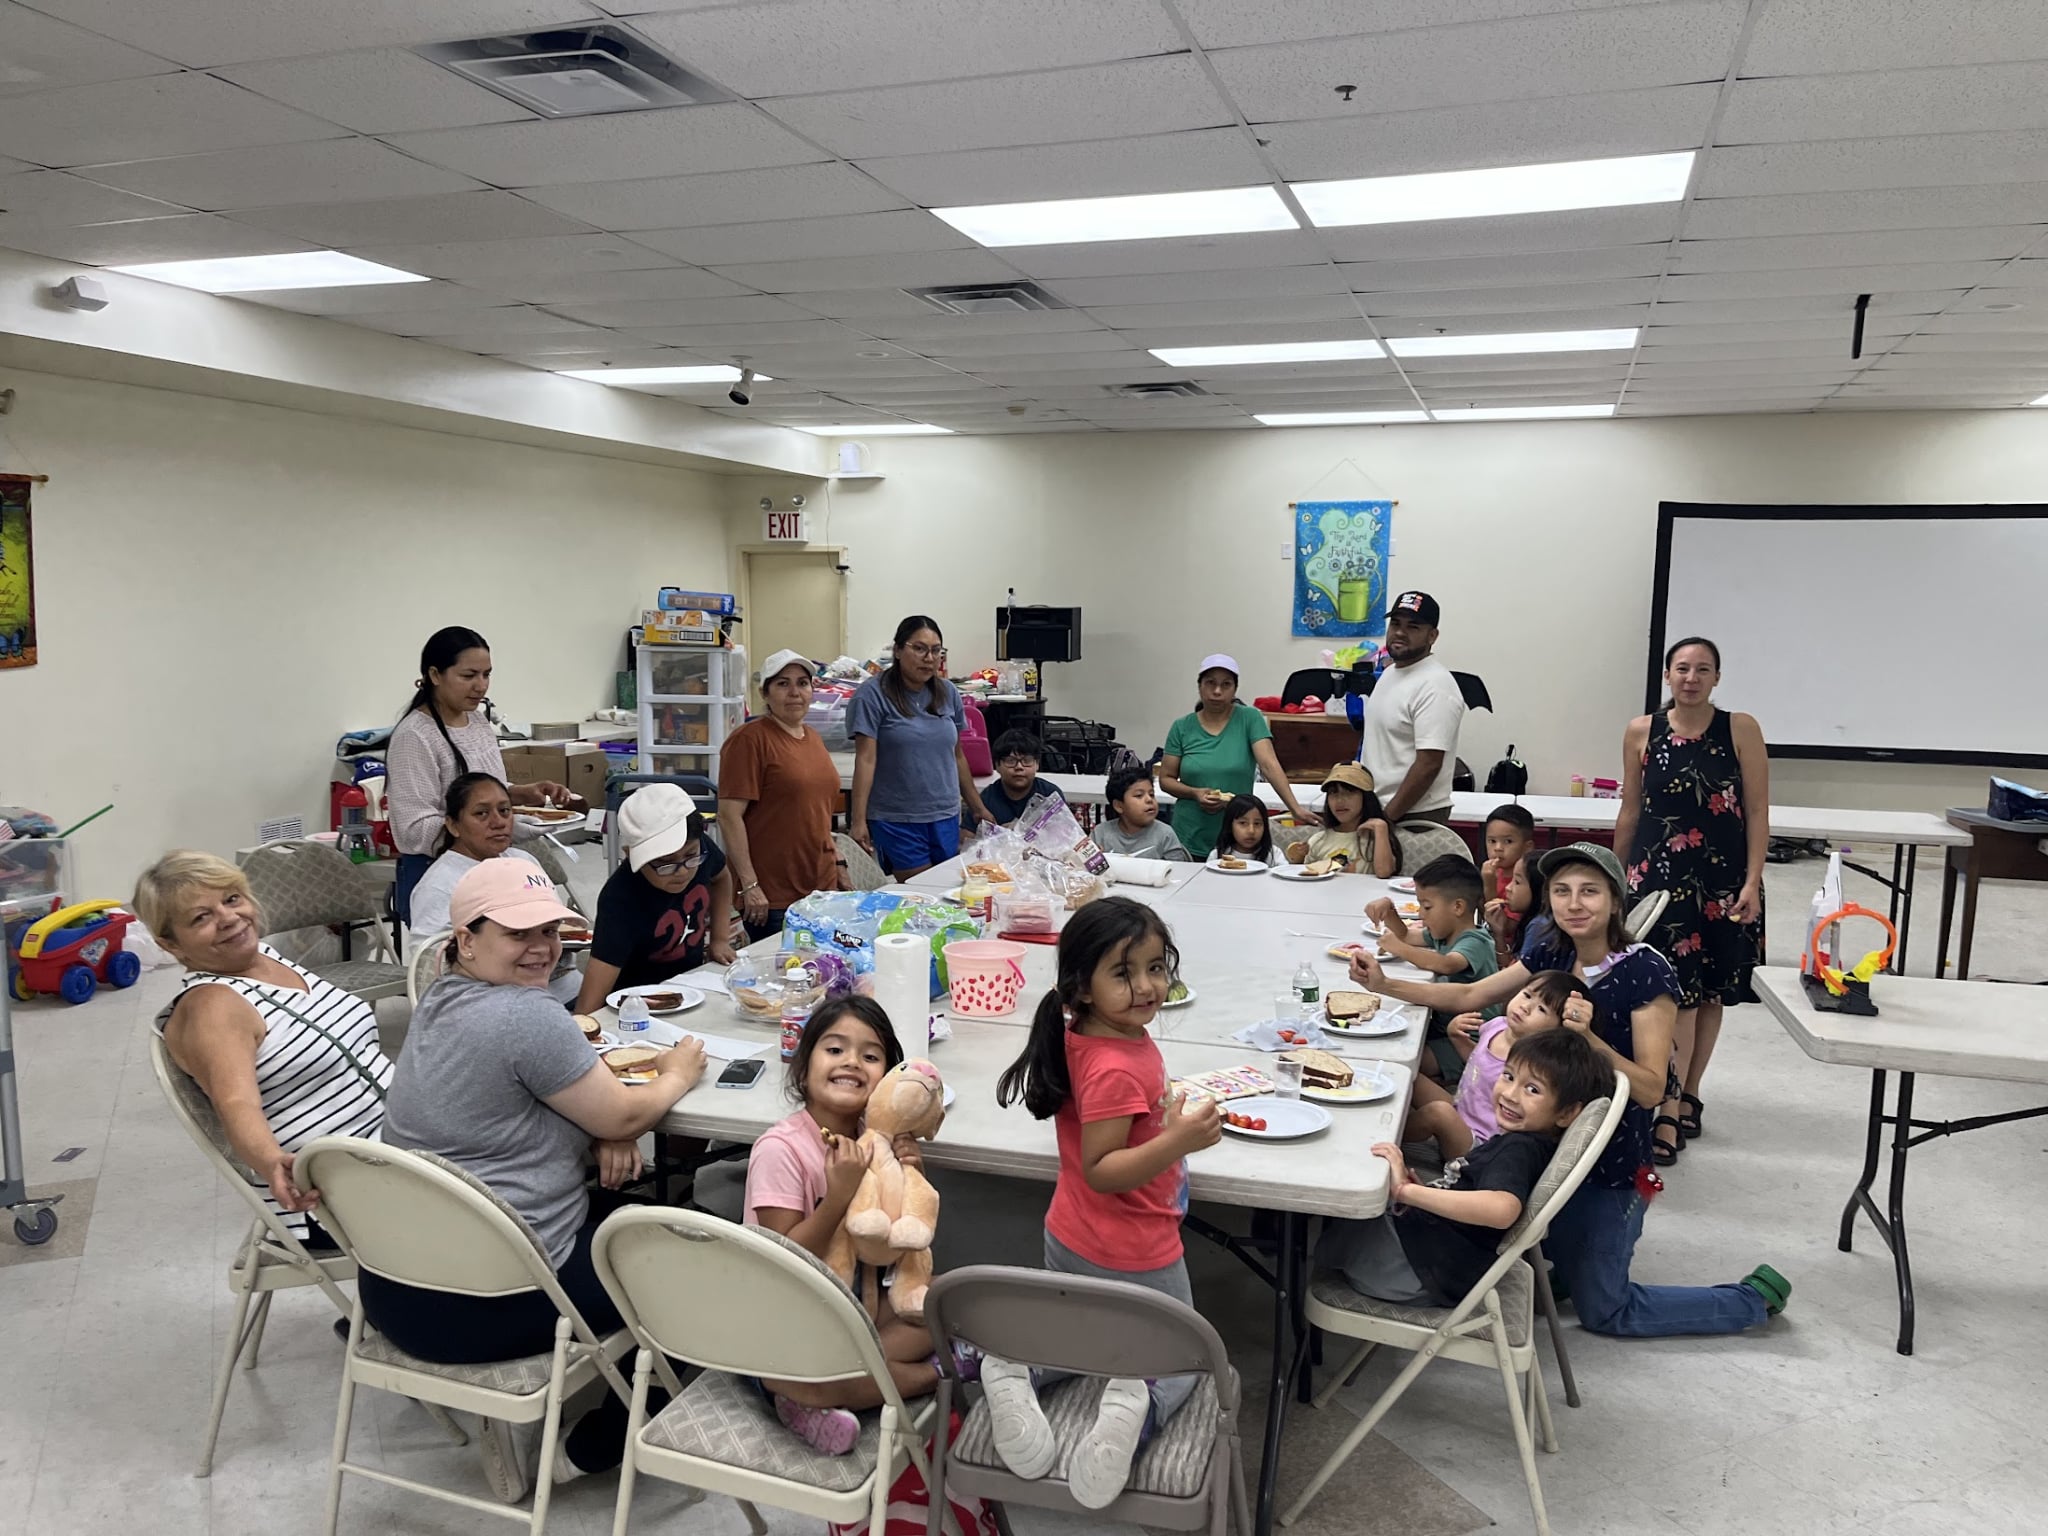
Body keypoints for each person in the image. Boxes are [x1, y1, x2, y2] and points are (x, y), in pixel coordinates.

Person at [1350, 843, 1789, 1336]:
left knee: (1606, 1312)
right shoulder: (1552, 949)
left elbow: (1650, 1090)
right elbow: (1472, 994)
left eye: (1589, 892)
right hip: (1536, 1147)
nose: (1573, 904)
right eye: (1561, 891)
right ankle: (1563, 1262)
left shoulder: (1645, 971)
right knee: (1525, 1254)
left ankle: (1749, 1300)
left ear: (1616, 900)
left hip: (1603, 1164)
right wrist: (1383, 984)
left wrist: (1591, 1040)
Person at [368, 860, 707, 1492]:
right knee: (710, 1256)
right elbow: (626, 1110)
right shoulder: (526, 1015)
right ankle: (596, 1447)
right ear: (467, 940)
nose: (542, 948)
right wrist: (676, 1074)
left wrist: (603, 1127)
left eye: (550, 931)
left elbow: (508, 1108)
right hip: (489, 1300)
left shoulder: (439, 996)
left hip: (395, 1287)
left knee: (638, 1217)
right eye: (518, 933)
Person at [988, 898, 1223, 1508]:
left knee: (1081, 1336)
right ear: (1081, 988)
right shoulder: (1116, 1065)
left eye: (1155, 967)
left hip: (1073, 1232)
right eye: (1123, 973)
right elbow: (1101, 1170)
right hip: (1134, 1245)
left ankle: (1016, 1367)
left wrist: (1159, 1123)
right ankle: (1139, 1406)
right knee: (1189, 1357)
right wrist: (1178, 1140)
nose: (1146, 986)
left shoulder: (1087, 1036)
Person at [136, 851, 392, 1240]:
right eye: (201, 918)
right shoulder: (213, 1006)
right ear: (171, 945)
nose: (228, 918)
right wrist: (272, 1162)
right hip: (339, 1193)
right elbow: (236, 1102)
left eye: (232, 899)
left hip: (392, 1147)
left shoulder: (265, 958)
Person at [744, 997, 942, 1455]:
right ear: (802, 1068)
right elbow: (782, 1261)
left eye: (871, 1056)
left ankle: (825, 1390)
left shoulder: (877, 1144)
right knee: (797, 1373)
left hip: (854, 1310)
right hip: (785, 1327)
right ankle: (934, 1375)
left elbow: (897, 1248)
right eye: (834, 1049)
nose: (851, 1062)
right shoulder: (781, 1150)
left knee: (944, 1304)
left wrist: (910, 1179)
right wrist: (837, 1197)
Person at [1322, 1028, 1612, 1309]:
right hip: (1436, 1263)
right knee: (1363, 1186)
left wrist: (1406, 1192)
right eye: (1509, 1076)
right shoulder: (1529, 1143)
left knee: (1345, 1187)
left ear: (1566, 1113)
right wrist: (1423, 1193)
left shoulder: (1518, 1149)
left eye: (1532, 1089)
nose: (1510, 1094)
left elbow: (1502, 1209)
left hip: (1412, 1273)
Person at [1615, 635, 1768, 1164]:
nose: (1692, 678)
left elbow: (1757, 810)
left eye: (1703, 669)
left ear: (1717, 678)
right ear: (1667, 675)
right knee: (1670, 994)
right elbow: (1631, 811)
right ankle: (1667, 1103)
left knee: (1709, 994)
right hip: (1659, 879)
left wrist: (1752, 882)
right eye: (1682, 668)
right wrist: (1613, 878)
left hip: (1724, 879)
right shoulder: (1642, 731)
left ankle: (1689, 1094)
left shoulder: (1739, 729)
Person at [386, 626, 584, 924]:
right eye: (468, 676)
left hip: (490, 866)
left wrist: (518, 793)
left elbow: (480, 789)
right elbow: (414, 830)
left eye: (486, 675)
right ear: (435, 675)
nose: (481, 686)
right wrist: (495, 827)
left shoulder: (477, 722)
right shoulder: (414, 737)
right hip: (439, 874)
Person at [408, 772, 582, 1003]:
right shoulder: (439, 884)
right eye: (481, 813)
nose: (498, 822)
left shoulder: (524, 860)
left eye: (505, 811)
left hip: (566, 985)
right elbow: (430, 964)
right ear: (453, 825)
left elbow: (558, 924)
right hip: (501, 1000)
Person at [849, 616, 994, 877]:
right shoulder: (872, 695)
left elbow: (957, 756)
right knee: (920, 889)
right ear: (897, 650)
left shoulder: (948, 692)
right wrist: (858, 820)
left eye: (936, 651)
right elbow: (865, 760)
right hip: (897, 818)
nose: (929, 658)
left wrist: (977, 807)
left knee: (947, 887)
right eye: (919, 648)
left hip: (945, 814)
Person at [575, 784, 736, 1014]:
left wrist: (720, 938)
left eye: (690, 856)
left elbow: (722, 878)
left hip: (693, 986)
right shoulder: (620, 900)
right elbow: (591, 999)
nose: (682, 870)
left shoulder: (699, 847)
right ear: (632, 855)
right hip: (638, 1006)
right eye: (665, 863)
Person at [719, 649, 844, 943]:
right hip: (773, 896)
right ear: (765, 693)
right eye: (783, 684)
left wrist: (838, 862)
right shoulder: (749, 740)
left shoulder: (812, 738)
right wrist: (750, 886)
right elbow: (728, 816)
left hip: (820, 886)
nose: (794, 693)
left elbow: (817, 809)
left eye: (802, 683)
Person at [1405, 973, 1592, 1161]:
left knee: (1438, 1113)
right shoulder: (1498, 1025)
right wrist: (1456, 1038)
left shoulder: (1529, 1066)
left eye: (1542, 1009)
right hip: (1461, 1107)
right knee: (1409, 1075)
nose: (1525, 1007)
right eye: (1527, 995)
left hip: (1480, 1144)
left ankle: (1392, 1139)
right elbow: (1480, 1063)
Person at [1159, 653, 1319, 858]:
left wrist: (1294, 808)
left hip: (1239, 839)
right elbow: (1166, 779)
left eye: (1226, 684)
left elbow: (1269, 764)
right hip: (1190, 834)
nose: (1217, 691)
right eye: (1210, 683)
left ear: (1235, 689)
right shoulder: (1182, 727)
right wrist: (1194, 793)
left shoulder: (1249, 718)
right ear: (1200, 686)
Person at [1368, 854, 1498, 1078]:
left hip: (1469, 1041)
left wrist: (1399, 948)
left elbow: (1447, 964)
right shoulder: (1445, 932)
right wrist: (1389, 912)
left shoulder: (1476, 941)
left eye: (1427, 907)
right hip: (1443, 1028)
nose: (1420, 914)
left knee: (1406, 1064)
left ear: (1458, 907)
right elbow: (1407, 935)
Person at [1358, 592, 1466, 830]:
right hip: (1378, 810)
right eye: (1395, 623)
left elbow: (1428, 765)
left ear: (1432, 636)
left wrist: (1387, 819)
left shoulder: (1436, 685)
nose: (1399, 632)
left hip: (1413, 817)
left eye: (1412, 626)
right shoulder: (1390, 674)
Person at [1282, 763, 1397, 876]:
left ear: (1366, 798)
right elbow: (1307, 877)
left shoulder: (1374, 837)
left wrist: (1381, 829)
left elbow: (1384, 873)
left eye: (1349, 792)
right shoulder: (1318, 840)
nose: (1340, 800)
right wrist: (1298, 858)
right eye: (1333, 793)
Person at [1089, 765, 1189, 862]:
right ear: (1119, 806)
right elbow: (1085, 867)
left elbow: (1177, 869)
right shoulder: (1100, 834)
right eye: (1139, 795)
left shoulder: (1165, 834)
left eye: (1151, 794)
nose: (1149, 799)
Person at [980, 730, 1064, 828]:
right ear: (997, 765)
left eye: (1027, 761)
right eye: (1010, 761)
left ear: (1037, 764)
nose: (1019, 767)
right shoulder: (987, 798)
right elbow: (968, 834)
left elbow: (1066, 831)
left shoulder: (1050, 794)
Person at [1488, 848, 1539, 966]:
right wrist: (1499, 933)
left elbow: (1516, 976)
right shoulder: (1530, 922)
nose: (1508, 888)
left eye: (1517, 882)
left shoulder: (1539, 926)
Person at [1481, 805, 1537, 911]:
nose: (1498, 848)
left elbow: (1499, 920)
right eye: (1492, 841)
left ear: (1527, 847)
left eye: (1508, 841)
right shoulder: (1490, 873)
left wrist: (1489, 886)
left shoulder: (1526, 882)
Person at [1211, 794, 1278, 865]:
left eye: (1257, 823)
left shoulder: (1274, 854)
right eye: (1243, 823)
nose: (1251, 831)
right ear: (1230, 825)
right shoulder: (1217, 855)